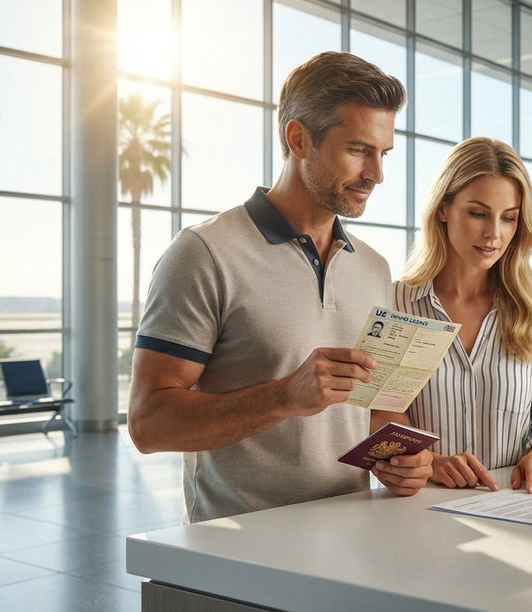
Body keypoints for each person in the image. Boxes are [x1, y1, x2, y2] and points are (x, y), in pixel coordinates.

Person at [128, 51, 432, 524]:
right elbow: (148, 424)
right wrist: (284, 397)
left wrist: (404, 459)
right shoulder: (204, 253)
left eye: (383, 153)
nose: (376, 174)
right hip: (236, 548)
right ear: (298, 139)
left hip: (353, 535)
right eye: (358, 150)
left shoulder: (373, 267)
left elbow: (372, 408)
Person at [392, 136, 532, 494]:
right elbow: (382, 414)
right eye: (478, 213)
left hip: (516, 503)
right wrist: (432, 462)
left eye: (509, 218)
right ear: (443, 208)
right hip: (420, 507)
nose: (493, 233)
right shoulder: (396, 303)